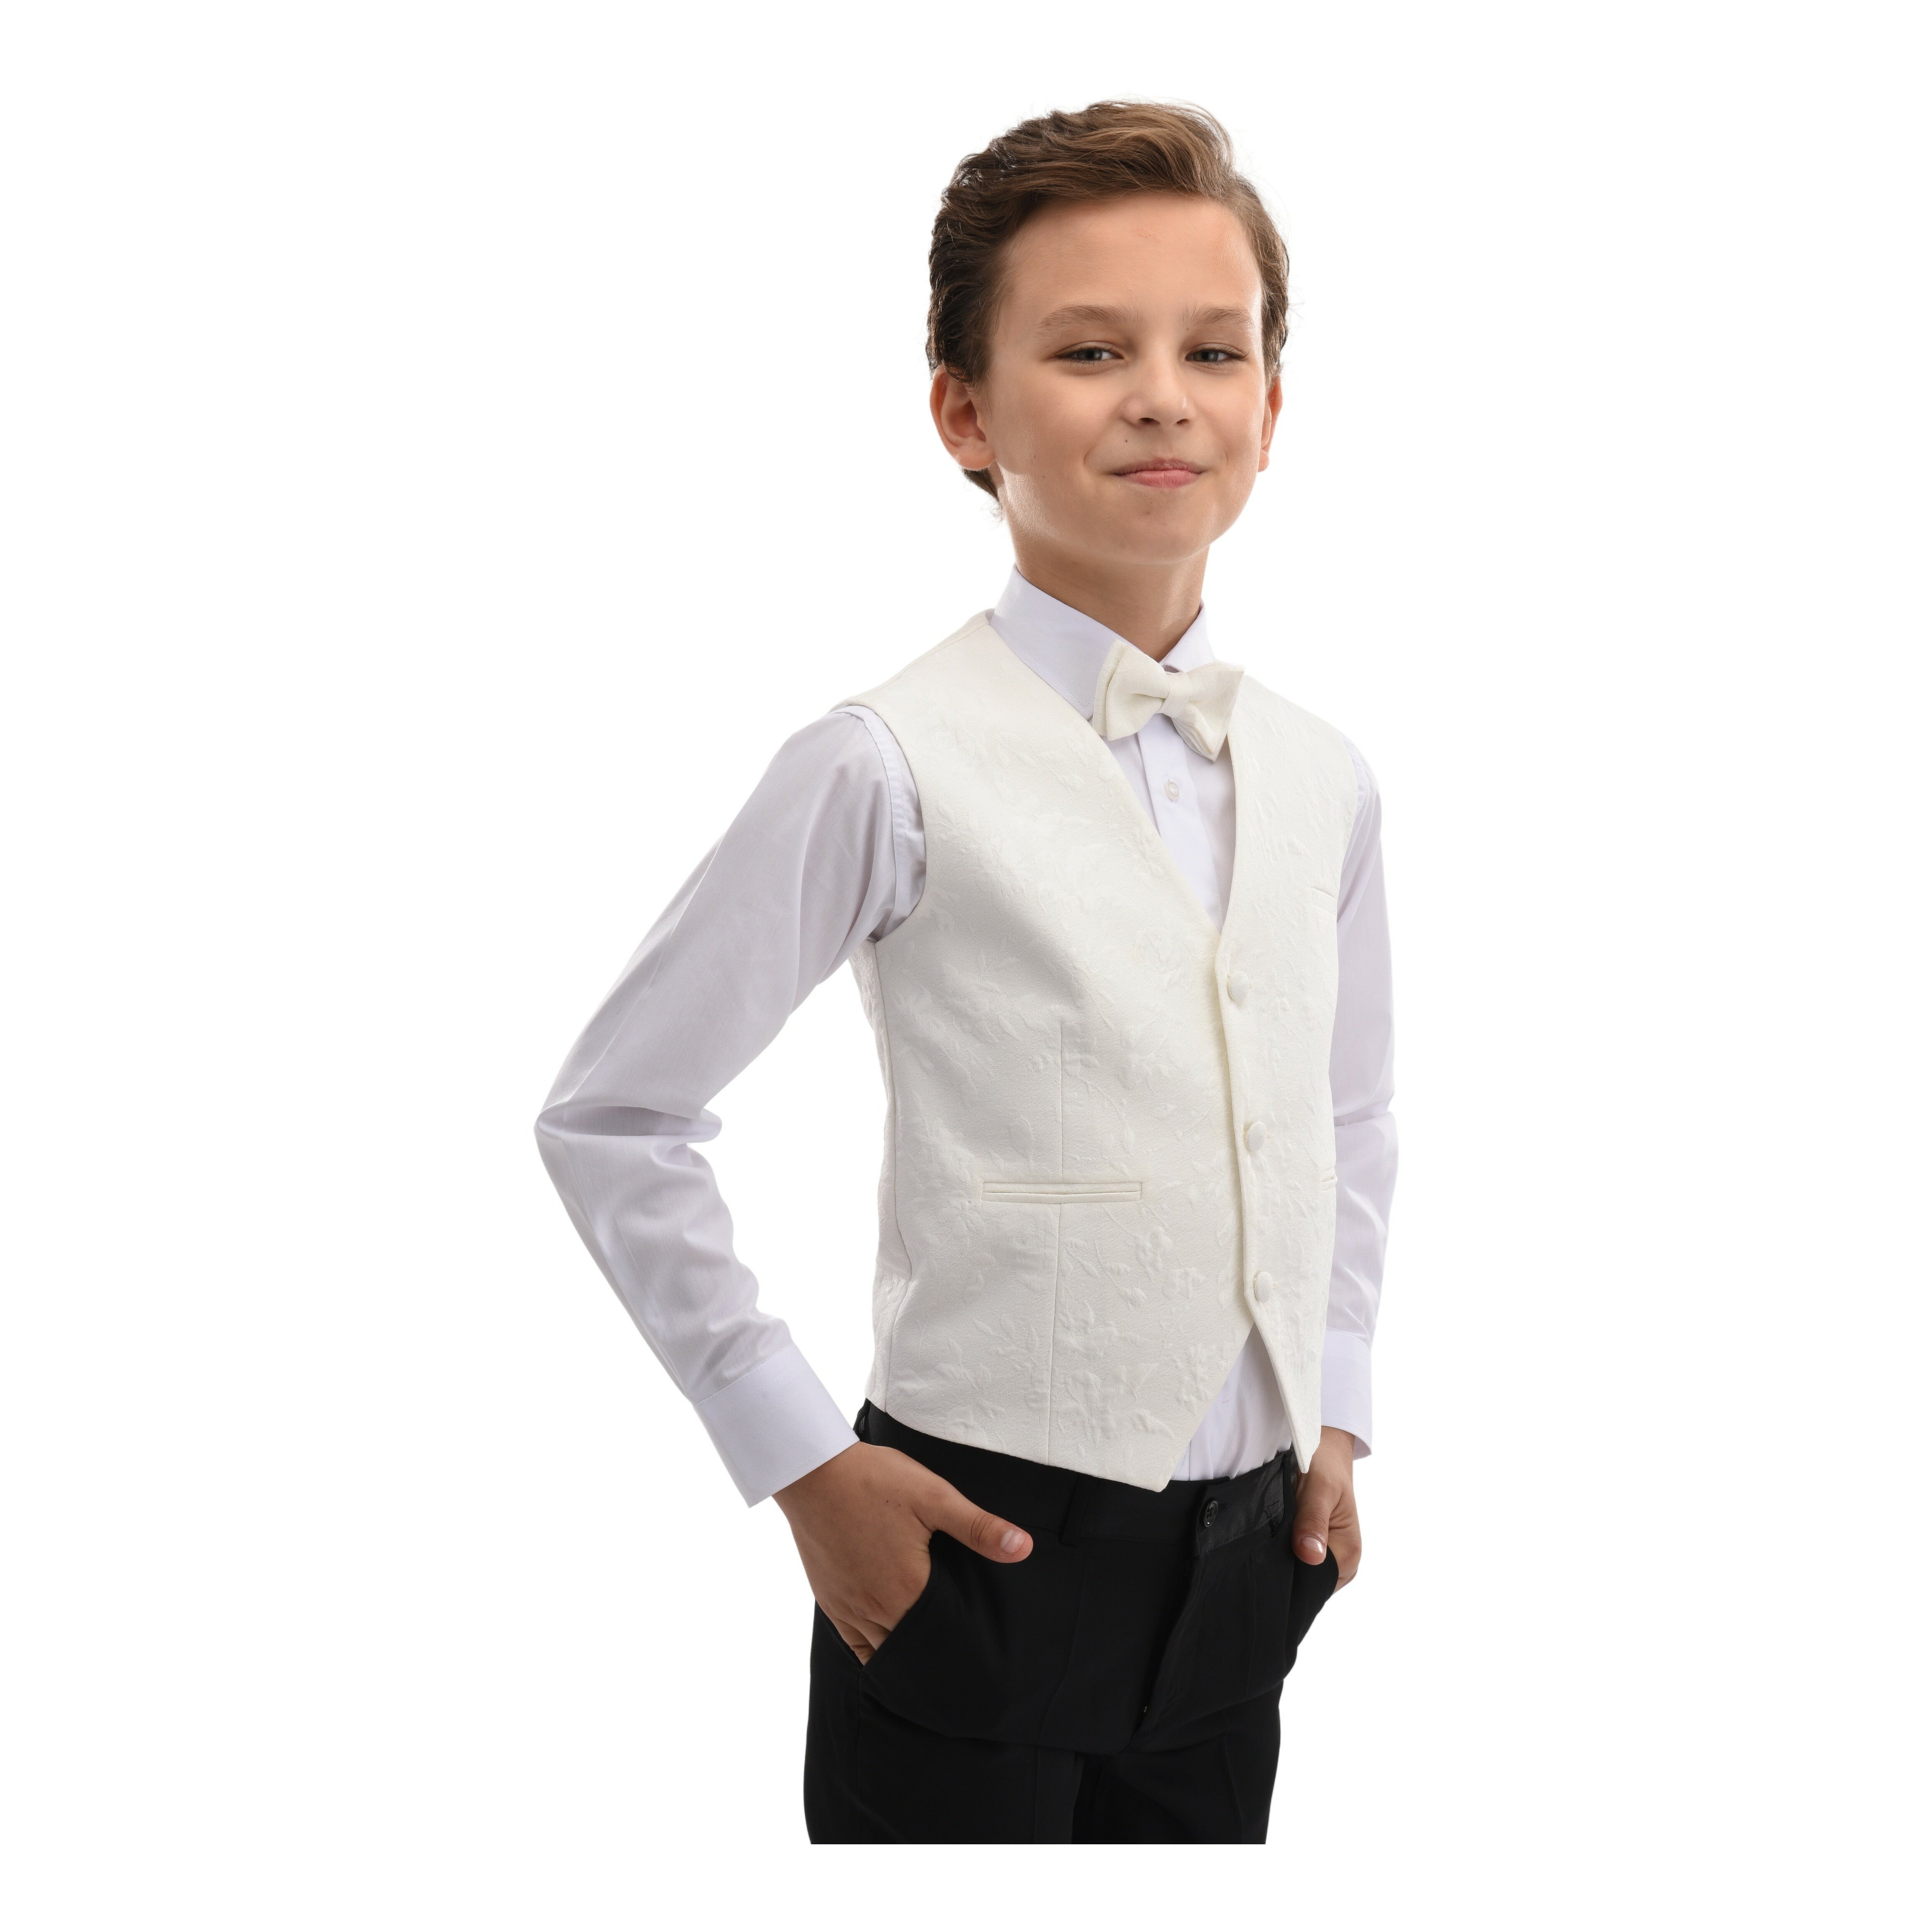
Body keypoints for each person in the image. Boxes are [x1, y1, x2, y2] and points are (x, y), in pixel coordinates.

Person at [535, 100, 1396, 1843]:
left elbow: (1347, 1115)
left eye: (1211, 349)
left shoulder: (1324, 776)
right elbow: (616, 1115)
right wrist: (799, 1459)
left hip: (1251, 1558)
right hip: (973, 1542)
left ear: (1270, 408)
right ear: (965, 413)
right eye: (1088, 350)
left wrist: (1335, 1406)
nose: (1160, 396)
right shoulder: (880, 761)